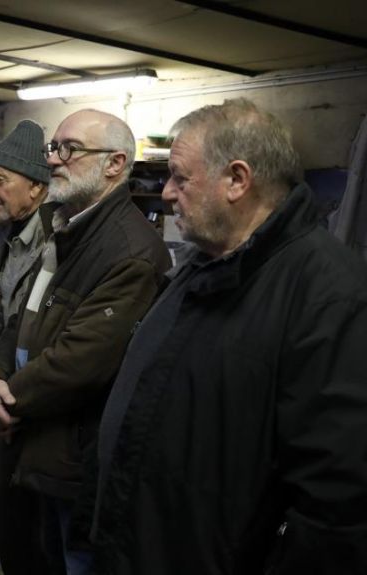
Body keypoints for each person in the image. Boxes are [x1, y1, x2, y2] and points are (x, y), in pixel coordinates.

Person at [90, 98, 367, 574]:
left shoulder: (328, 294)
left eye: (180, 177)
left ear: (237, 180)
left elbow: (335, 508)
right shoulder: (204, 266)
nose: (167, 194)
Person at [0, 109, 171, 573]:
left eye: (71, 149)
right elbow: (21, 319)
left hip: (76, 459)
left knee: (75, 557)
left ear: (115, 164)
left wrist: (10, 399)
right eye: (53, 148)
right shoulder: (65, 230)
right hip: (39, 444)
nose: (55, 161)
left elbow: (81, 362)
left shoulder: (132, 253)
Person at [0, 119, 53, 574]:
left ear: (37, 189)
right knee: (4, 507)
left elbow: (35, 330)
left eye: (0, 181)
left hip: (28, 404)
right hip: (0, 393)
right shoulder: (4, 234)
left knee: (30, 522)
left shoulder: (53, 244)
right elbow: (4, 312)